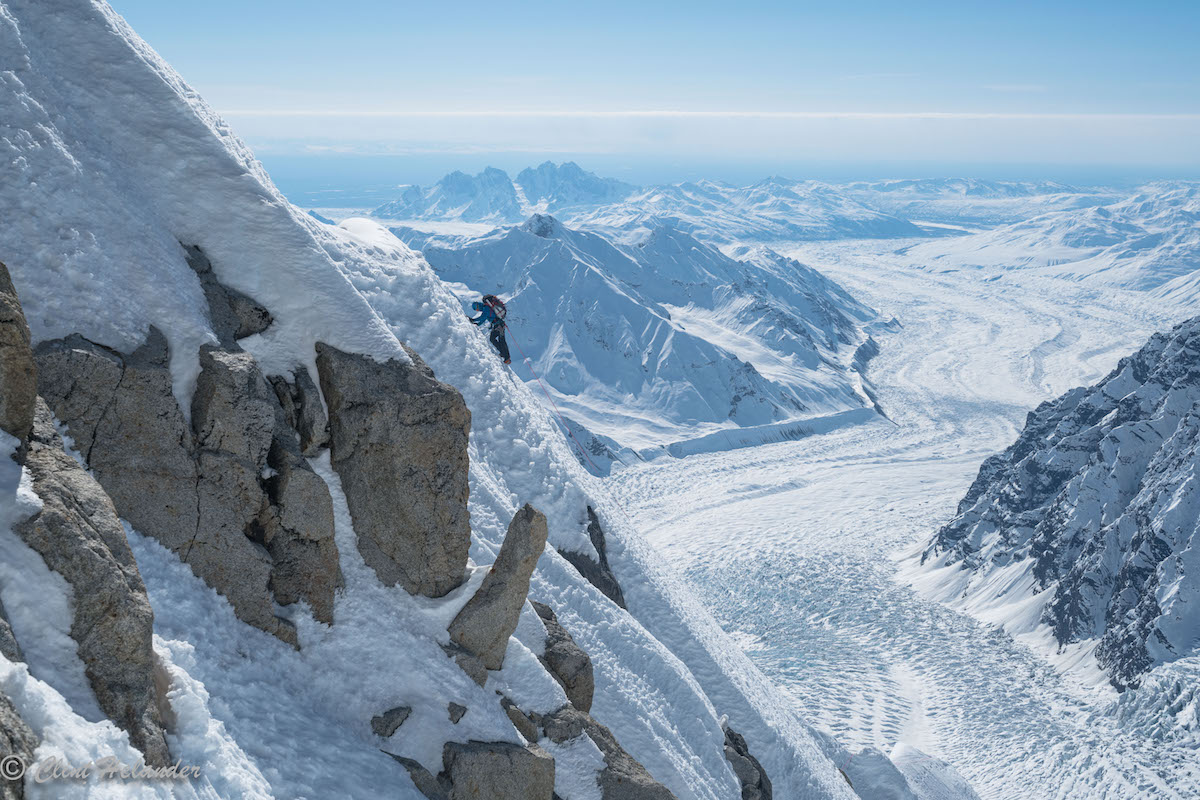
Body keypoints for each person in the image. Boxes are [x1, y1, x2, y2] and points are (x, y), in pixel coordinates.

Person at [469, 294, 510, 364]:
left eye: (477, 309)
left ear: (478, 306)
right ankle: (503, 354)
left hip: (499, 325)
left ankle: (507, 358)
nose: (478, 310)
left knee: (501, 340)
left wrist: (473, 320)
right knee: (494, 339)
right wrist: (476, 323)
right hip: (498, 325)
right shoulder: (486, 308)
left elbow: (482, 318)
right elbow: (483, 319)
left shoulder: (486, 308)